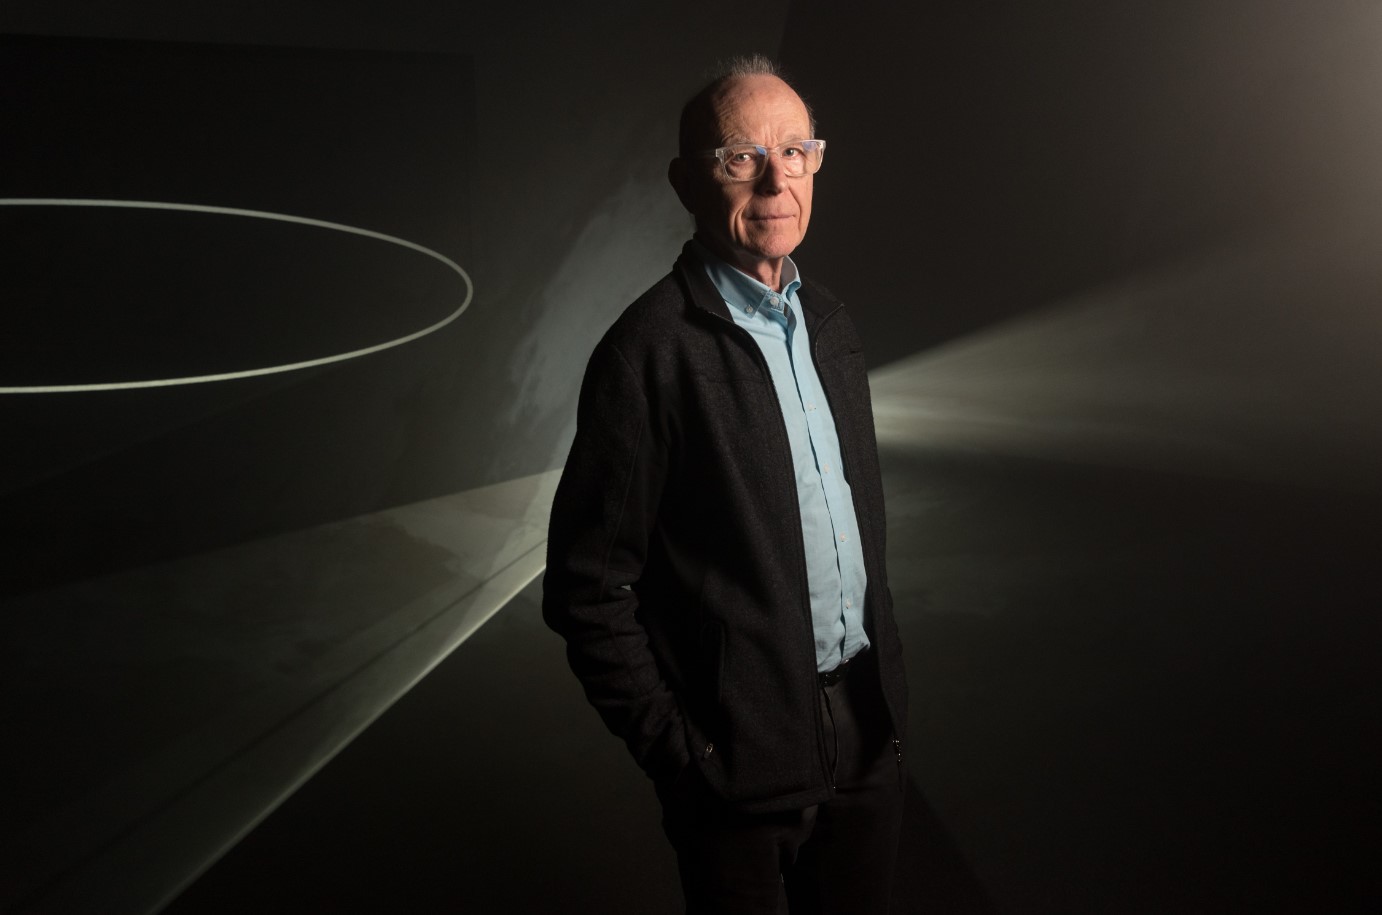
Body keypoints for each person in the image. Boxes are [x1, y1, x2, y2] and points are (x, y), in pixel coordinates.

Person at [542, 54, 908, 914]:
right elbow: (588, 592)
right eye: (742, 156)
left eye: (798, 151)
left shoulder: (832, 329)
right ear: (688, 182)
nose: (778, 178)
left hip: (867, 745)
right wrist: (686, 755)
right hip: (736, 778)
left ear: (817, 164)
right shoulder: (647, 356)